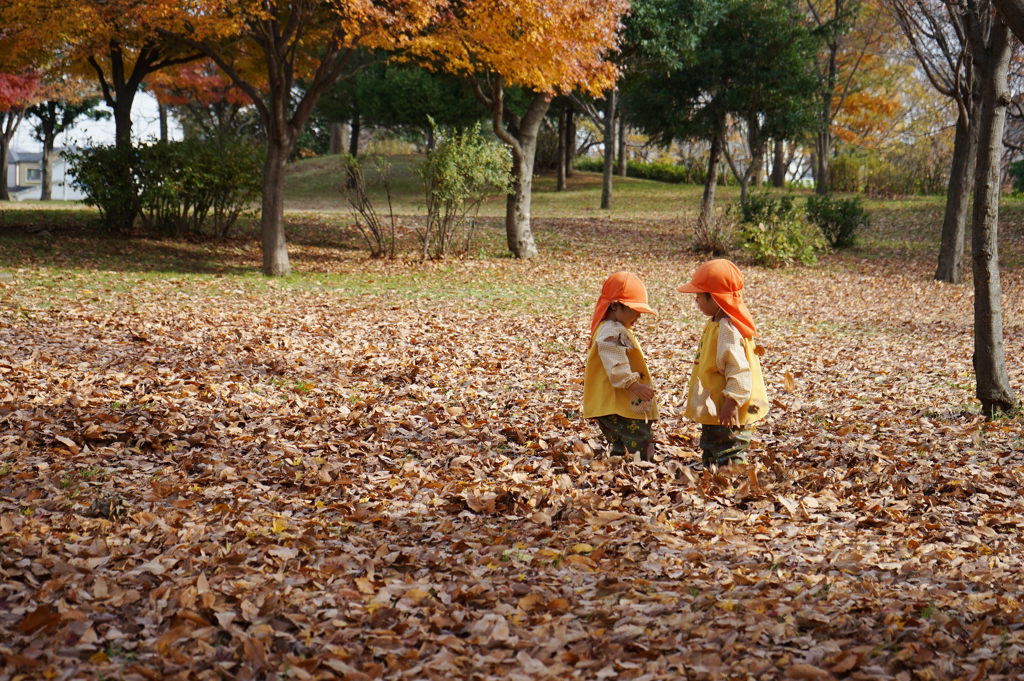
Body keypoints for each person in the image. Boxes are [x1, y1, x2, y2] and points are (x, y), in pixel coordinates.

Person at [677, 259, 769, 468]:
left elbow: (738, 368)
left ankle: (734, 485)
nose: (696, 302)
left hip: (727, 410)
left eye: (699, 297)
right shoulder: (716, 321)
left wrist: (733, 401)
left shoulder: (727, 328)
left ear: (716, 298)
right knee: (711, 446)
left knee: (728, 451)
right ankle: (714, 479)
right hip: (715, 408)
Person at [583, 271, 659, 460]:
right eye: (634, 311)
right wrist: (635, 385)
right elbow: (616, 364)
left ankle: (619, 464)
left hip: (614, 402)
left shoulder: (613, 328)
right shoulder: (611, 331)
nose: (639, 317)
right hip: (619, 402)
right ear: (615, 306)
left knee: (622, 441)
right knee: (641, 440)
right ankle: (642, 469)